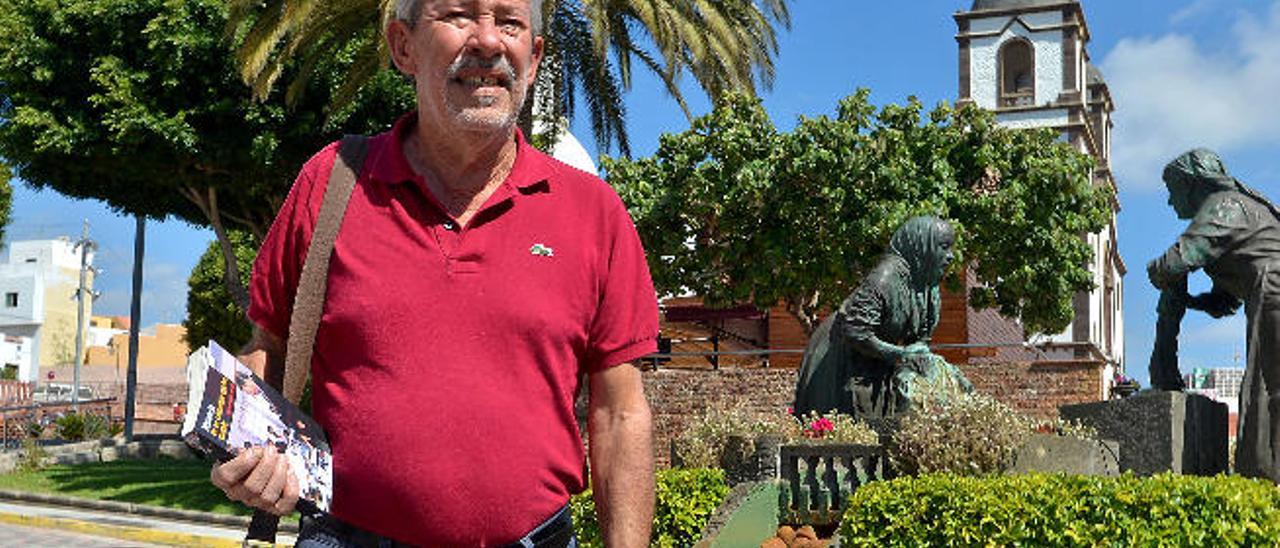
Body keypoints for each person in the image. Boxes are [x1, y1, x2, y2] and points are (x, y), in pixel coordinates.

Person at [208, 0, 660, 545]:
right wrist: (246, 448)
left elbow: (620, 415)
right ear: (403, 46)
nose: (489, 41)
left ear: (535, 55)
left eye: (510, 22)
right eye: (460, 16)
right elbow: (269, 346)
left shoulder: (593, 212)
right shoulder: (332, 182)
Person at [1146, 148, 1280, 482]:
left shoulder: (1224, 205)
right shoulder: (1245, 209)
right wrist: (1189, 299)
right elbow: (1226, 303)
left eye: (1171, 191)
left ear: (1191, 185)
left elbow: (1172, 264)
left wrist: (1163, 276)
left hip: (1274, 290)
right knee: (1266, 391)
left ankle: (1266, 484)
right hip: (1265, 294)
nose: (1169, 202)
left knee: (1270, 390)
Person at [793, 215, 971, 420]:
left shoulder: (927, 286)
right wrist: (901, 355)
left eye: (950, 248)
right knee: (845, 420)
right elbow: (856, 332)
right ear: (923, 245)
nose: (950, 256)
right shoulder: (885, 279)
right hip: (839, 352)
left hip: (877, 357)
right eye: (943, 247)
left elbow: (919, 344)